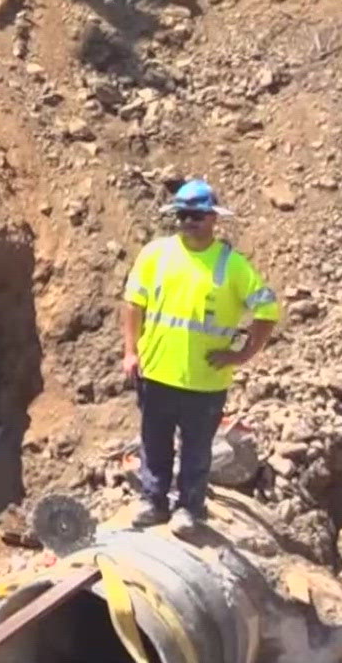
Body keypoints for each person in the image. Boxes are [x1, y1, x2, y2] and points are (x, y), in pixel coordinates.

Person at [120, 178, 280, 529]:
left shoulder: (232, 265)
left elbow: (267, 311)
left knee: (196, 450)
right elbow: (133, 303)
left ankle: (190, 509)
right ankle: (154, 501)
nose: (189, 221)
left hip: (205, 382)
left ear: (212, 219)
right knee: (154, 444)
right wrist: (131, 351)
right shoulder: (156, 255)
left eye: (197, 215)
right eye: (183, 215)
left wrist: (242, 355)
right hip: (157, 372)